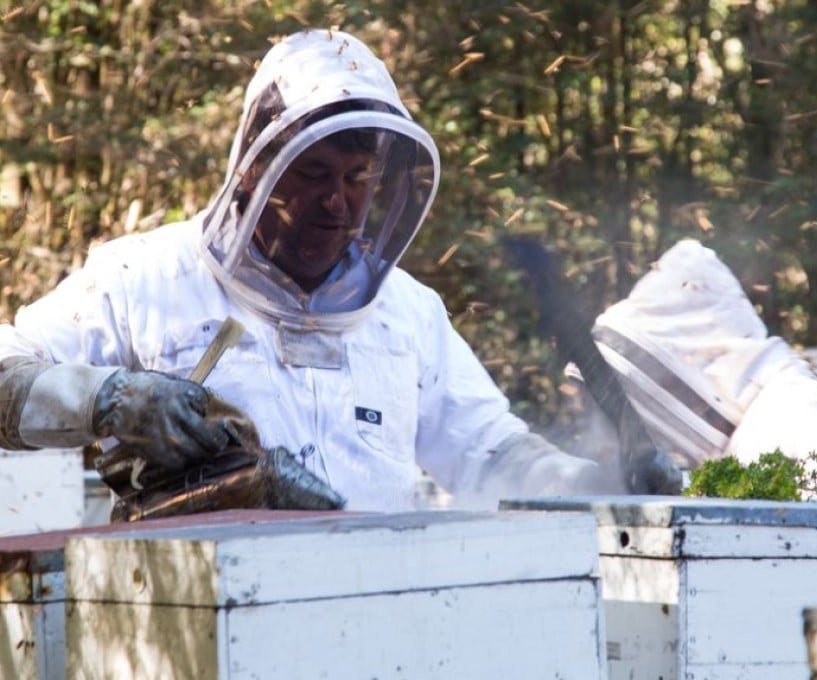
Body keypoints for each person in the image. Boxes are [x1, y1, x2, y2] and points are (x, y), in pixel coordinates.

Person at [0, 29, 617, 514]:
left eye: (358, 178)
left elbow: (490, 452)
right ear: (252, 168)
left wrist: (596, 481)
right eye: (314, 174)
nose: (338, 202)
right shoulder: (144, 277)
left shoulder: (408, 312)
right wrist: (105, 398)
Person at [590, 239, 817, 501]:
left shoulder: (800, 413)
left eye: (668, 382)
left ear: (705, 353)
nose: (671, 395)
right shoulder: (747, 428)